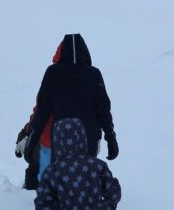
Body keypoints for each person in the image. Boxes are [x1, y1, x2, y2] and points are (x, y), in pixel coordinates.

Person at [24, 33, 118, 169]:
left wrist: (31, 141)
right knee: (85, 179)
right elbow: (103, 111)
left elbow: (42, 111)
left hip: (60, 138)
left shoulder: (53, 73)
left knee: (61, 180)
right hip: (88, 139)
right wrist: (110, 137)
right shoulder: (93, 74)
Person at [15, 41, 65, 188]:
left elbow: (39, 112)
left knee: (36, 163)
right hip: (75, 144)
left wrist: (26, 133)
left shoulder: (51, 76)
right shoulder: (87, 78)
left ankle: (31, 191)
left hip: (47, 142)